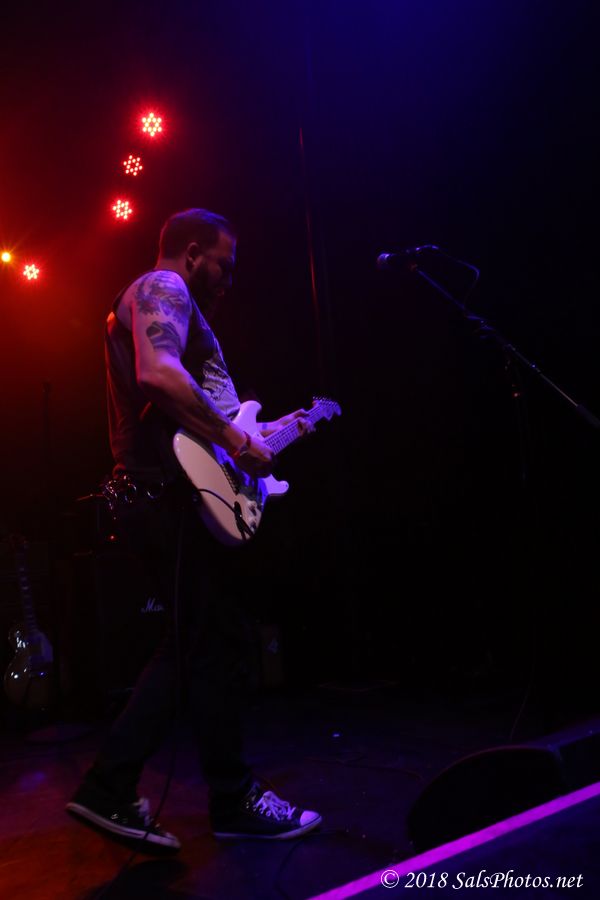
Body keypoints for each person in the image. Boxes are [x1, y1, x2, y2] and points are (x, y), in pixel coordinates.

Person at [66, 208, 322, 848]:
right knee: (206, 639)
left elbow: (199, 410)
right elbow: (158, 374)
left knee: (207, 641)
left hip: (166, 491)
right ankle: (133, 787)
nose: (229, 281)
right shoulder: (165, 287)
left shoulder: (172, 300)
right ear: (190, 251)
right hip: (164, 495)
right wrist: (235, 438)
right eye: (223, 265)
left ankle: (191, 793)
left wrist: (261, 433)